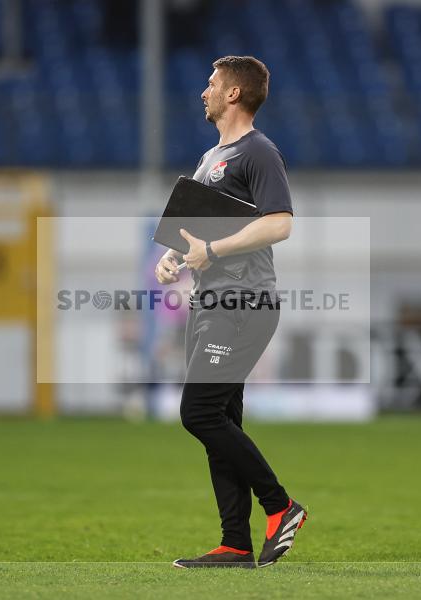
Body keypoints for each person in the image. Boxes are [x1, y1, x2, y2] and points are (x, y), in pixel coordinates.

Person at [154, 56, 306, 569]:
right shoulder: (210, 157)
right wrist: (176, 255)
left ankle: (281, 505)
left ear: (234, 94)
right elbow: (202, 229)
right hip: (212, 300)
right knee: (220, 419)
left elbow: (280, 224)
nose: (204, 91)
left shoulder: (259, 152)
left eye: (212, 83)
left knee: (197, 413)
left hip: (243, 301)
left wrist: (212, 254)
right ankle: (235, 543)